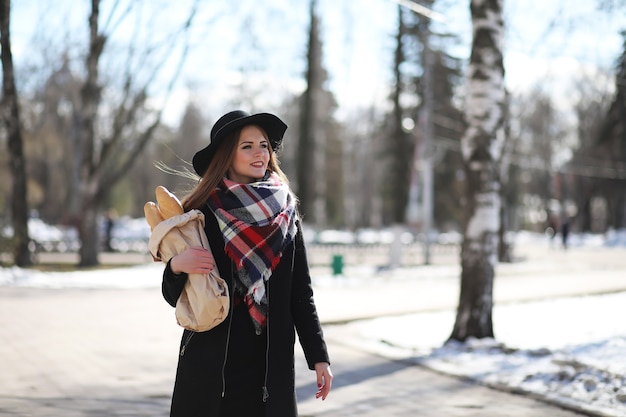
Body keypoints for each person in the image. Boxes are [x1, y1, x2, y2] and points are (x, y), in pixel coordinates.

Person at [161, 110, 333, 417]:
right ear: (227, 155)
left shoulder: (286, 214)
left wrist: (318, 356)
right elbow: (174, 296)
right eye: (247, 146)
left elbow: (300, 292)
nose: (260, 153)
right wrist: (177, 265)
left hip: (268, 367)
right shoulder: (201, 213)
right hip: (211, 365)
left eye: (264, 145)